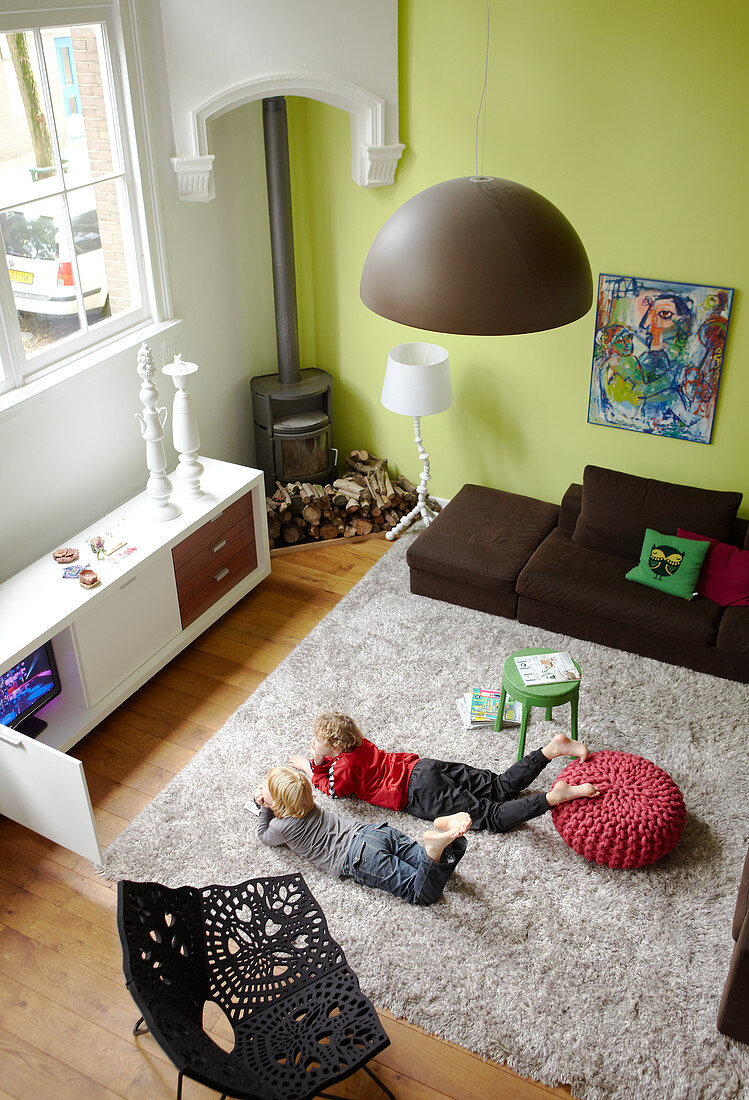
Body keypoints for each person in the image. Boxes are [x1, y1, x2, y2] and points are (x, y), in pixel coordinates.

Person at [287, 713, 600, 834]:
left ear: (333, 748)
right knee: (496, 784)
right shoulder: (361, 743)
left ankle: (552, 797)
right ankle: (551, 748)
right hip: (424, 767)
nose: (313, 744)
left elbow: (333, 790)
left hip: (417, 793)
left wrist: (311, 763)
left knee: (491, 816)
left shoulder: (342, 767)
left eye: (318, 741)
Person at [255, 766, 470, 907]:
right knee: (430, 871)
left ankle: (434, 851)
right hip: (374, 832)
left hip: (358, 857)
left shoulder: (279, 826)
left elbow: (264, 836)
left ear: (278, 805)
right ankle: (448, 839)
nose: (261, 787)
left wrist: (263, 807)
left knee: (421, 893)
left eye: (266, 787)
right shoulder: (307, 803)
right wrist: (271, 801)